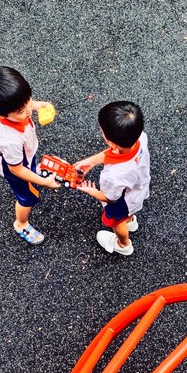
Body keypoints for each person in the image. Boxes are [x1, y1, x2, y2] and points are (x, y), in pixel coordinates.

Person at [0, 66, 61, 245]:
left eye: (27, 101)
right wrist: (44, 182)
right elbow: (16, 169)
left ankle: (34, 171)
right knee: (28, 198)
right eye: (21, 110)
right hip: (15, 169)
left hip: (24, 157)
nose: (28, 111)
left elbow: (26, 106)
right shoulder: (9, 139)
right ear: (2, 113)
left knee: (31, 167)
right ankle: (21, 223)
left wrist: (37, 105)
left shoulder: (10, 109)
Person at [75, 101, 150, 256]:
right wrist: (92, 161)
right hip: (138, 188)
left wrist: (91, 191)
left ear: (111, 142)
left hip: (123, 202)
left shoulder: (112, 177)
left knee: (117, 222)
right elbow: (114, 152)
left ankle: (123, 244)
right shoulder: (140, 138)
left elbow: (109, 198)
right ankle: (130, 221)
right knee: (128, 215)